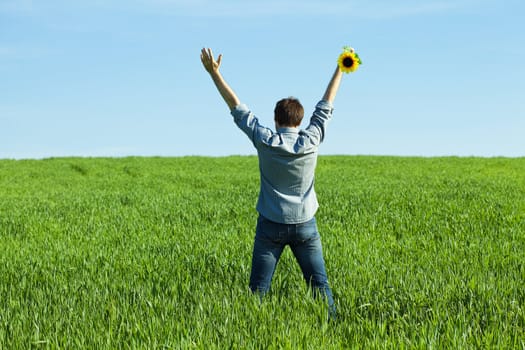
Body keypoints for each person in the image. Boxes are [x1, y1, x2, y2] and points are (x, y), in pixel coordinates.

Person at [200, 48, 343, 317]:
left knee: (258, 291)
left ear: (276, 120)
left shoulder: (265, 140)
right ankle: (336, 331)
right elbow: (326, 104)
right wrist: (341, 68)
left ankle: (254, 335)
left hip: (270, 227)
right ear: (299, 121)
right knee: (320, 287)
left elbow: (237, 109)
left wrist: (214, 74)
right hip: (305, 226)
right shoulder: (312, 139)